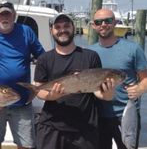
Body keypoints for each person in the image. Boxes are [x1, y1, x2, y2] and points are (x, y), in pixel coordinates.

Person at [33, 13, 115, 149]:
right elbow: (39, 89)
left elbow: (97, 91)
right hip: (52, 125)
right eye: (57, 27)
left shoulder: (91, 56)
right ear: (51, 30)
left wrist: (108, 94)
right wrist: (51, 96)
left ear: (73, 28)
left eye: (66, 26)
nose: (62, 30)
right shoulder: (44, 59)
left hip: (85, 127)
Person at [0, 0, 45, 149]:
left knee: (27, 145)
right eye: (0, 15)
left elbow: (43, 58)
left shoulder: (26, 32)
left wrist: (40, 83)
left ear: (14, 15)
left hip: (22, 100)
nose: (4, 18)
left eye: (7, 14)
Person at [89, 9, 147, 149]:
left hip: (126, 115)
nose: (103, 24)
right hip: (98, 115)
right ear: (93, 26)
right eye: (99, 22)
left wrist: (139, 89)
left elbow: (146, 80)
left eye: (108, 20)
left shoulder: (133, 49)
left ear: (115, 22)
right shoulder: (89, 52)